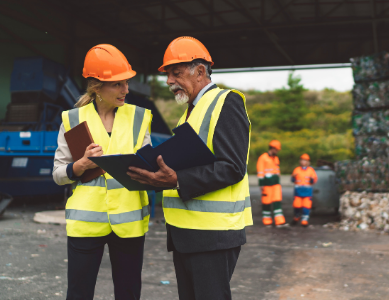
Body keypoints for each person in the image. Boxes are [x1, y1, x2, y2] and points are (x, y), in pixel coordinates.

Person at [127, 36, 252, 300]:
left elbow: (232, 167)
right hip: (186, 234)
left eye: (176, 73)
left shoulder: (226, 102)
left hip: (213, 235)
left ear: (200, 71)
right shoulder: (192, 110)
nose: (169, 81)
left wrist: (176, 180)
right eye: (168, 75)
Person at [53, 44, 152, 300]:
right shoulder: (72, 120)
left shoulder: (139, 118)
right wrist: (81, 165)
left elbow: (148, 166)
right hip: (86, 224)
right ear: (97, 86)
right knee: (79, 293)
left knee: (129, 293)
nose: (126, 90)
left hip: (129, 224)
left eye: (126, 83)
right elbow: (58, 173)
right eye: (117, 84)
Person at [256, 140, 287, 227]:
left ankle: (279, 221)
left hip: (276, 184)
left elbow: (277, 170)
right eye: (276, 149)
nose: (277, 151)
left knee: (277, 201)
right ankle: (267, 221)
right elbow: (260, 171)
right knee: (266, 202)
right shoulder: (263, 158)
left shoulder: (275, 158)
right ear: (272, 148)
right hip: (267, 184)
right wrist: (261, 184)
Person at [291, 153, 318, 227]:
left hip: (307, 192)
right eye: (302, 160)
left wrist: (312, 180)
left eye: (305, 160)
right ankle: (297, 216)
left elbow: (314, 179)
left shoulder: (311, 170)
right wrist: (293, 178)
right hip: (298, 192)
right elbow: (292, 179)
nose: (303, 162)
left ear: (308, 162)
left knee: (306, 206)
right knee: (297, 205)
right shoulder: (296, 169)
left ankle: (304, 220)